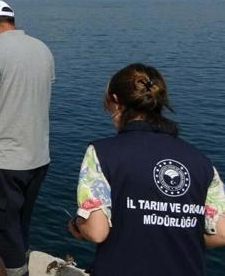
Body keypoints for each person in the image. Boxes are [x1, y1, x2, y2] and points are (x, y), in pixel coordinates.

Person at [68, 63, 225, 275]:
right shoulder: (202, 163)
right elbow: (221, 233)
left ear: (116, 102)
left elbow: (97, 231)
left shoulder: (101, 153)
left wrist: (78, 226)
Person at [0, 0, 54, 276]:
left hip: (4, 159)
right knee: (19, 224)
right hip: (38, 157)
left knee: (0, 228)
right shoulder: (43, 49)